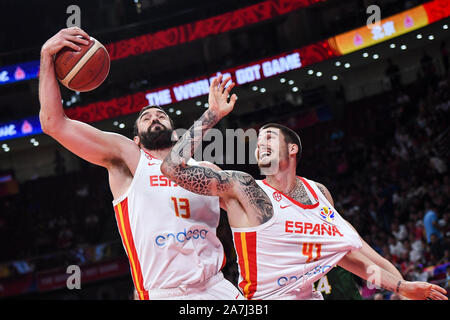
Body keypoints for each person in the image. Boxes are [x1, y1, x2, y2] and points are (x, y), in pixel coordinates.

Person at [160, 80, 448, 300]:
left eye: (269, 137)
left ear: (293, 148)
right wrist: (212, 115)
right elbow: (171, 168)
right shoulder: (243, 188)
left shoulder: (318, 192)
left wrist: (400, 286)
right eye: (258, 140)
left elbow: (349, 251)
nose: (260, 143)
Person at [38, 27, 242, 300]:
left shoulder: (207, 170)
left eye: (161, 115)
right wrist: (46, 57)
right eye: (147, 118)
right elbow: (53, 123)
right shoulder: (128, 159)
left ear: (174, 129)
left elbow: (248, 217)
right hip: (164, 294)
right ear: (135, 138)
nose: (155, 118)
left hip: (218, 288)